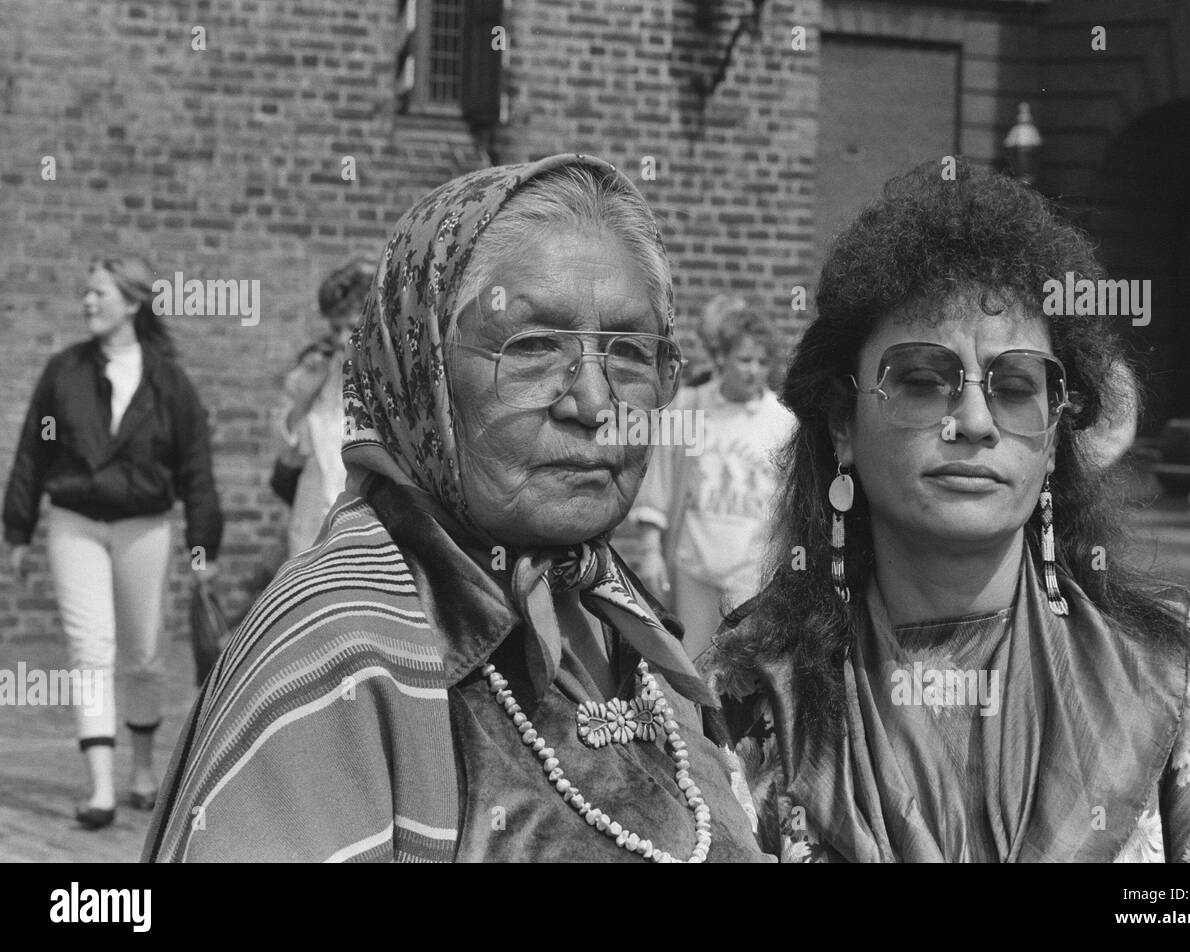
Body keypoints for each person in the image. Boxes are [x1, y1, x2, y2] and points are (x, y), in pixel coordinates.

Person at [142, 154, 768, 863]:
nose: (596, 404)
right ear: (424, 374)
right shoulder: (342, 651)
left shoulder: (618, 608)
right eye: (532, 348)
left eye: (629, 352)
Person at [701, 159, 1190, 863]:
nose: (975, 421)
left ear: (1051, 439)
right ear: (841, 422)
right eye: (923, 380)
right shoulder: (743, 699)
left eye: (1017, 386)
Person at [3, 255, 223, 830]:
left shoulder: (170, 383)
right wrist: (17, 529)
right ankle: (100, 787)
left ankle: (144, 770)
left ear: (132, 303)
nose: (87, 302)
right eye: (85, 292)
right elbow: (34, 450)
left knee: (144, 655)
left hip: (144, 527)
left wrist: (204, 546)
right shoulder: (62, 372)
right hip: (74, 520)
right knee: (89, 648)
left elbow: (196, 467)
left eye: (98, 292)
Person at [633, 310, 795, 659]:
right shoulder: (691, 409)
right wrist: (649, 549)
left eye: (763, 361)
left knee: (743, 673)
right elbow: (659, 477)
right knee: (690, 665)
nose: (754, 370)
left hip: (753, 577)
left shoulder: (783, 424)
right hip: (694, 568)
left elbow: (792, 509)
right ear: (722, 357)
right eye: (745, 359)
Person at [274, 257, 375, 556]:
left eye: (350, 326)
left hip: (370, 536)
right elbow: (287, 456)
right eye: (335, 327)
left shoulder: (391, 382)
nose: (342, 337)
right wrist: (307, 393)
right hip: (312, 532)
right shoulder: (313, 371)